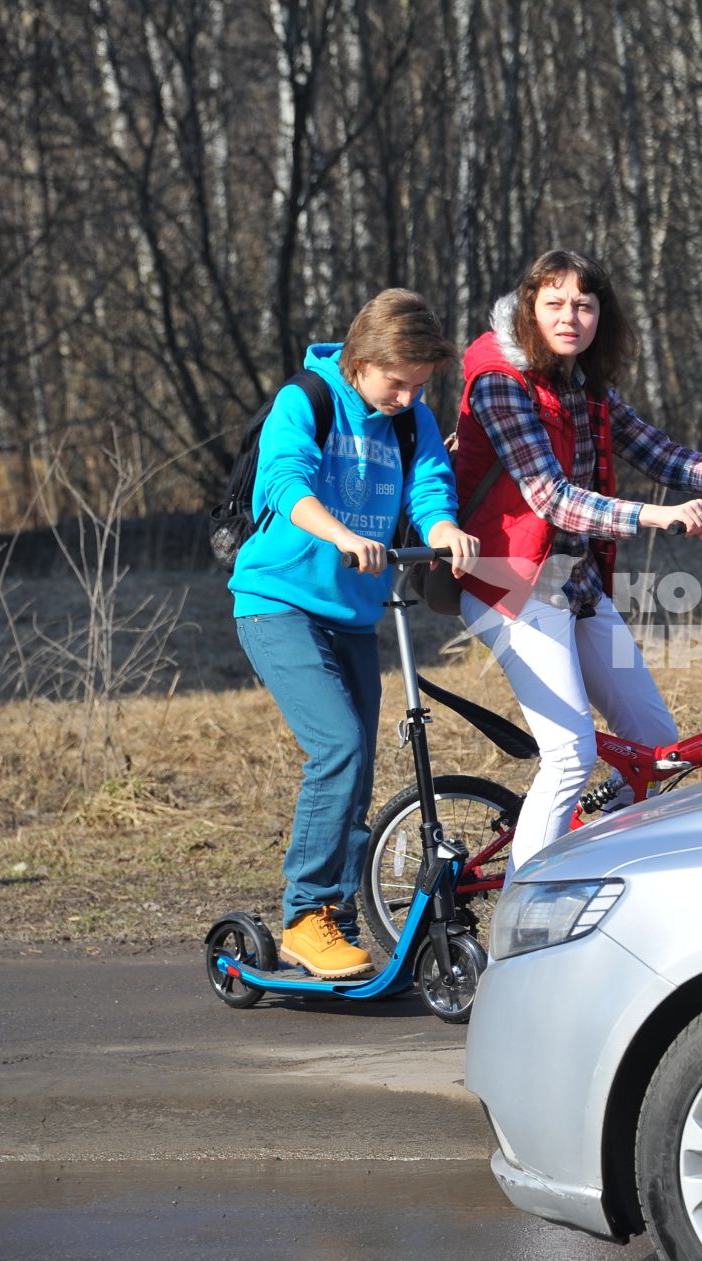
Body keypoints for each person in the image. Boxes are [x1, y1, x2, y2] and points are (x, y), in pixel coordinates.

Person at [453, 249, 702, 866]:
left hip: (576, 587)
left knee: (655, 744)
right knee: (569, 754)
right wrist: (654, 515)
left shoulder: (585, 384)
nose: (570, 318)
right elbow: (552, 500)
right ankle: (523, 914)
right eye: (555, 304)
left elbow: (663, 455)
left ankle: (591, 861)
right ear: (529, 310)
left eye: (584, 306)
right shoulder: (499, 383)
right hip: (509, 588)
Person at [229, 289, 480, 978]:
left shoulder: (411, 421)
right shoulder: (304, 400)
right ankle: (306, 914)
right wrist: (339, 532)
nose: (406, 397)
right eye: (396, 383)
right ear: (360, 360)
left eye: (419, 385)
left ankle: (334, 918)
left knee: (359, 768)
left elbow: (429, 488)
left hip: (352, 613)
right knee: (336, 747)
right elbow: (284, 482)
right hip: (276, 602)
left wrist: (444, 530)